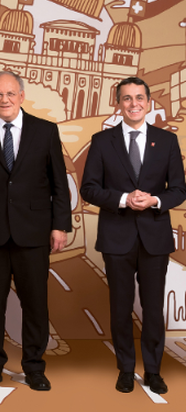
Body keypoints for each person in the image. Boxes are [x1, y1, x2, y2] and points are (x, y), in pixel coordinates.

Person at [0, 71, 71, 391]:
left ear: (21, 96)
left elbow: (59, 185)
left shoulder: (45, 131)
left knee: (35, 303)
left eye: (10, 94)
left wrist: (60, 224)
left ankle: (34, 366)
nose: (4, 100)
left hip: (34, 233)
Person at [80, 77, 185, 394]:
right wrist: (125, 199)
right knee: (120, 307)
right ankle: (125, 368)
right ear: (119, 104)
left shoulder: (166, 141)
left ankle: (153, 370)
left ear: (149, 102)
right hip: (117, 237)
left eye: (139, 97)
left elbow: (179, 190)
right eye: (127, 98)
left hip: (154, 237)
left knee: (154, 309)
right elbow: (89, 188)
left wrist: (154, 200)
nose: (134, 103)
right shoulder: (101, 141)